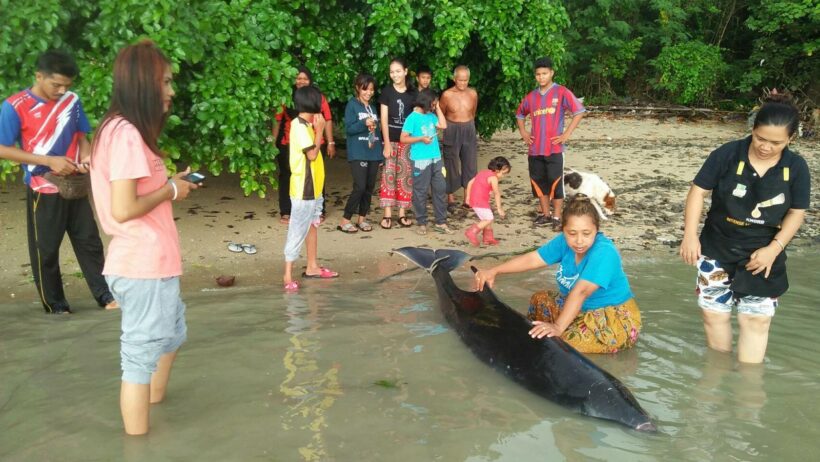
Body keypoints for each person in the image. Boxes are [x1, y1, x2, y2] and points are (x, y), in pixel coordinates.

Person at [89, 40, 198, 435]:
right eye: (165, 81)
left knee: (171, 335)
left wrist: (171, 184)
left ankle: (154, 405)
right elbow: (122, 208)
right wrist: (170, 190)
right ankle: (138, 445)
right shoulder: (125, 133)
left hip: (155, 263)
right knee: (138, 356)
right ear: (143, 84)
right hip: (141, 264)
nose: (171, 90)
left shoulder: (124, 131)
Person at [679, 93, 810, 364]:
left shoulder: (796, 167)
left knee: (756, 320)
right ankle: (719, 373)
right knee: (714, 314)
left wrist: (774, 249)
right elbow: (697, 192)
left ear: (790, 139)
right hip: (717, 246)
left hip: (763, 254)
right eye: (760, 138)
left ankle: (748, 393)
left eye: (776, 142)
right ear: (752, 129)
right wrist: (690, 236)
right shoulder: (727, 154)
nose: (765, 147)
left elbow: (797, 212)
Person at [0, 50, 117, 314]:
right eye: (56, 84)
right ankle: (56, 305)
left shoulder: (72, 101)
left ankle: (105, 295)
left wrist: (87, 157)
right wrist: (49, 160)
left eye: (67, 85)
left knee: (90, 242)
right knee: (47, 250)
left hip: (75, 184)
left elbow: (81, 136)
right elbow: (2, 148)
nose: (61, 90)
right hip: (43, 187)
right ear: (39, 76)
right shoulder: (14, 106)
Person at [475, 195, 641, 354]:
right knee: (539, 300)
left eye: (586, 233)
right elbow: (533, 259)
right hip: (580, 308)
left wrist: (558, 327)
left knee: (559, 345)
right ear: (564, 230)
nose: (579, 241)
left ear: (596, 231)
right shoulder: (563, 242)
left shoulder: (604, 252)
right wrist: (494, 270)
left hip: (610, 316)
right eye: (572, 233)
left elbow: (581, 291)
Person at [516, 57, 586, 231]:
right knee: (539, 183)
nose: (541, 77)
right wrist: (524, 132)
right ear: (535, 76)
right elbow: (520, 115)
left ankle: (556, 216)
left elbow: (579, 112)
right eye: (538, 74)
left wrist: (566, 134)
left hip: (554, 148)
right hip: (535, 149)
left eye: (545, 73)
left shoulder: (561, 92)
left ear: (552, 73)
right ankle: (545, 215)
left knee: (555, 183)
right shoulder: (531, 97)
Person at [283, 85, 339, 291]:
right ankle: (287, 275)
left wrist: (317, 129)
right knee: (297, 229)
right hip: (303, 188)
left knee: (312, 225)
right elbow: (312, 154)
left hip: (314, 186)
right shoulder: (299, 126)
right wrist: (320, 130)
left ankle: (312, 266)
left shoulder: (306, 124)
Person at [272, 66, 335, 224]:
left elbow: (327, 119)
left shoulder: (319, 97)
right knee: (287, 175)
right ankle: (287, 211)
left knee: (317, 174)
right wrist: (272, 144)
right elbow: (277, 120)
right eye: (298, 78)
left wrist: (331, 142)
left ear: (310, 80)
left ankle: (318, 210)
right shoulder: (286, 96)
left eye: (305, 78)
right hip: (290, 142)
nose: (301, 81)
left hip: (315, 141)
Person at [400, 88, 453, 235]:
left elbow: (443, 125)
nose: (434, 106)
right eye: (433, 103)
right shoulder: (412, 118)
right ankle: (421, 222)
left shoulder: (431, 115)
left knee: (440, 188)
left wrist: (437, 108)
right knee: (420, 192)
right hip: (420, 160)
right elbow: (403, 138)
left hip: (436, 158)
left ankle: (441, 222)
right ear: (425, 102)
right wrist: (421, 139)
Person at [338, 73, 383, 233]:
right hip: (358, 152)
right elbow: (349, 129)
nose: (368, 92)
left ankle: (362, 220)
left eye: (371, 89)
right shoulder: (352, 105)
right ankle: (345, 220)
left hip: (373, 153)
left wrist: (380, 154)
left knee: (369, 187)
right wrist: (364, 122)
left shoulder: (372, 107)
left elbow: (376, 133)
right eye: (365, 89)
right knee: (360, 187)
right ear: (358, 88)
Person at [378, 57, 416, 229]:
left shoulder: (413, 93)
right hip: (391, 140)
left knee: (405, 177)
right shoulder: (386, 92)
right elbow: (384, 119)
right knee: (388, 175)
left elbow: (415, 118)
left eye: (398, 71)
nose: (395, 75)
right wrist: (386, 143)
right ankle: (387, 214)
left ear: (406, 71)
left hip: (407, 142)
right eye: (392, 72)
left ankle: (402, 213)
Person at [439, 65, 478, 212]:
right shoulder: (447, 95)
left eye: (465, 80)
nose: (462, 83)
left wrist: (468, 125)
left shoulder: (473, 93)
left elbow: (473, 111)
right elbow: (441, 113)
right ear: (454, 79)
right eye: (460, 80)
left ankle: (468, 198)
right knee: (451, 162)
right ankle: (450, 197)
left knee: (470, 162)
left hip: (468, 127)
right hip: (451, 128)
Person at [464, 156, 511, 246]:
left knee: (486, 218)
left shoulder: (482, 172)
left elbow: (470, 182)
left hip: (476, 200)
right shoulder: (494, 178)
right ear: (497, 170)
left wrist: (468, 197)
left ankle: (488, 238)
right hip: (480, 202)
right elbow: (497, 193)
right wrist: (499, 208)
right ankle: (472, 232)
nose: (503, 176)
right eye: (503, 173)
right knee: (489, 218)